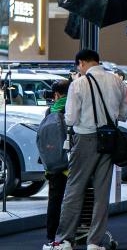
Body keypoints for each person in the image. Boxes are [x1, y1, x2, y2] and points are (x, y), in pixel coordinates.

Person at [46, 49, 127, 250]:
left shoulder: (79, 84)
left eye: (78, 66)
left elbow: (71, 119)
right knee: (102, 193)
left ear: (82, 63)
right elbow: (124, 114)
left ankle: (65, 240)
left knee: (74, 188)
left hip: (84, 138)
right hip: (108, 140)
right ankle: (94, 241)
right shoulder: (118, 81)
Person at [41, 79, 71, 247]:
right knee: (72, 199)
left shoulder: (50, 111)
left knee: (54, 199)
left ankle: (52, 236)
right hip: (71, 162)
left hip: (53, 163)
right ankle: (69, 234)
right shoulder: (72, 107)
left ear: (56, 94)